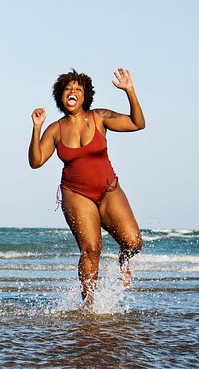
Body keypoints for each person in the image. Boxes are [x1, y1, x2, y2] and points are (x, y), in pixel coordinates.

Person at [28, 68, 145, 304]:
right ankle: (89, 303)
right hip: (76, 194)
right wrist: (37, 127)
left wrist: (129, 91)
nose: (72, 92)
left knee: (133, 242)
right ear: (61, 96)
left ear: (85, 96)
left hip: (109, 190)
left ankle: (124, 258)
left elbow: (137, 123)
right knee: (91, 250)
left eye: (77, 89)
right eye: (67, 89)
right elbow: (36, 161)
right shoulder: (55, 129)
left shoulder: (99, 117)